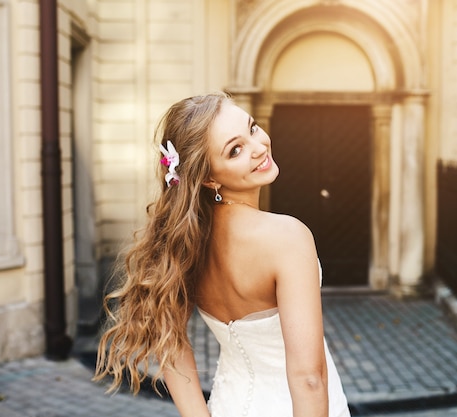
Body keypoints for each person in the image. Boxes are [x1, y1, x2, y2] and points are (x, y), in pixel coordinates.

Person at [94, 92, 351, 417]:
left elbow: (169, 343)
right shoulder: (288, 237)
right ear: (208, 177)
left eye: (253, 128)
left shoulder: (185, 245)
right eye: (235, 150)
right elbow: (309, 379)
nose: (259, 147)